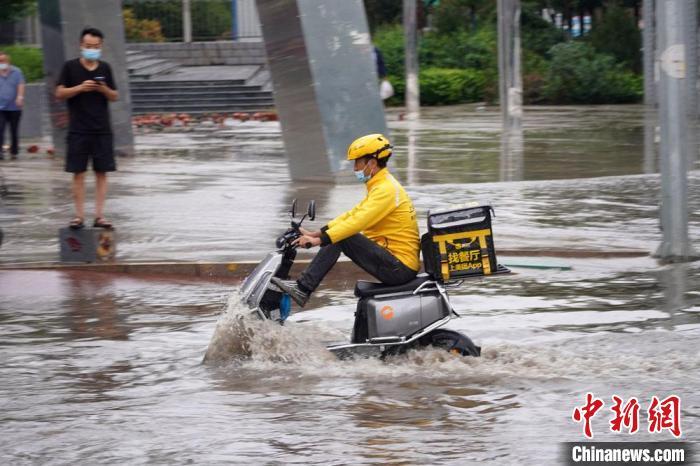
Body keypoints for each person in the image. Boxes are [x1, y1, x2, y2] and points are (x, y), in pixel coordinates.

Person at [272, 133, 420, 307]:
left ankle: (303, 288)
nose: (355, 168)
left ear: (371, 163)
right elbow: (353, 214)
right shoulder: (381, 185)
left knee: (344, 236)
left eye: (357, 162)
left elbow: (357, 222)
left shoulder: (385, 189)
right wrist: (317, 232)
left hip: (399, 267)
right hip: (394, 261)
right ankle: (303, 287)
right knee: (340, 235)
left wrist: (319, 240)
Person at [55, 27, 118, 230]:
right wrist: (80, 88)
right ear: (81, 45)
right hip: (78, 129)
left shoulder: (105, 68)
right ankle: (79, 216)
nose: (92, 49)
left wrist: (103, 89)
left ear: (101, 47)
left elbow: (114, 96)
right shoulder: (70, 67)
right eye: (88, 46)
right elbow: (59, 93)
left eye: (96, 47)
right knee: (78, 173)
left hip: (101, 128)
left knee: (102, 172)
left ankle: (99, 216)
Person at [0, 51, 25, 161]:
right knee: (0, 129)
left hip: (14, 107)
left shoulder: (16, 71)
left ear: (8, 61)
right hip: (1, 107)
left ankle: (14, 151)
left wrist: (20, 97)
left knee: (14, 130)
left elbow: (21, 84)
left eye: (3, 61)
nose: (2, 63)